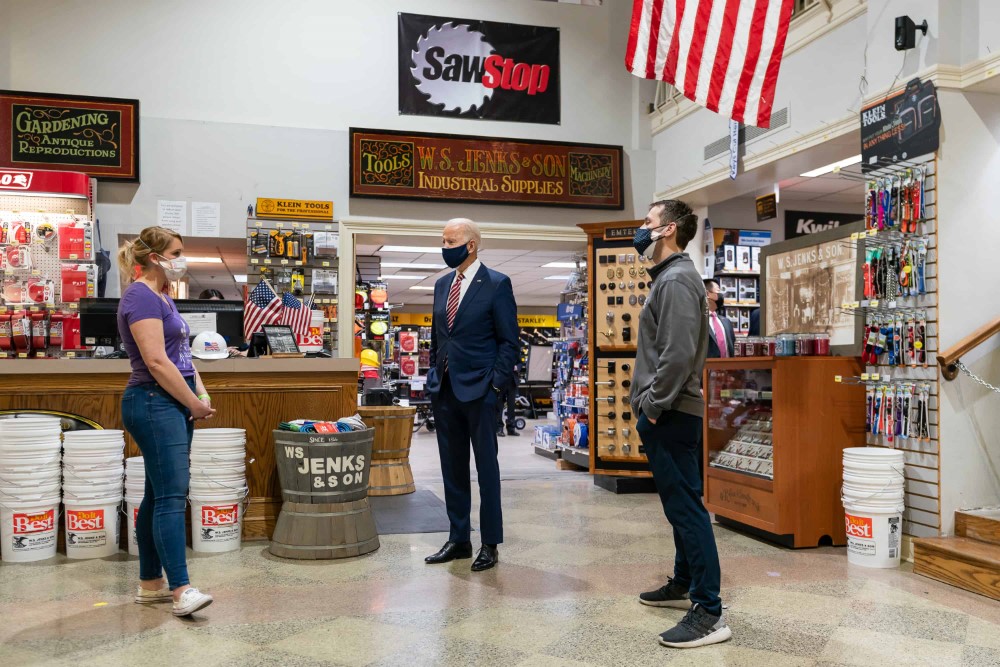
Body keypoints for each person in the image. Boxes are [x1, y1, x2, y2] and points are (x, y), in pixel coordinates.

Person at [630, 200, 730, 649]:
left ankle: (708, 610)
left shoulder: (675, 280)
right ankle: (684, 582)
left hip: (670, 411)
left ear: (666, 230)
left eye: (647, 223)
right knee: (678, 505)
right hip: (668, 409)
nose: (640, 229)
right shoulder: (671, 278)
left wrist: (652, 407)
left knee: (688, 509)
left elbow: (675, 355)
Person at [117, 226, 216, 618]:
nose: (182, 259)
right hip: (154, 402)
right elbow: (156, 362)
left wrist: (200, 394)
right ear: (155, 257)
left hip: (171, 401)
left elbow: (181, 356)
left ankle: (150, 584)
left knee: (157, 496)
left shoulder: (163, 296)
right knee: (172, 498)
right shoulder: (140, 295)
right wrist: (192, 402)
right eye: (176, 252)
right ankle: (181, 590)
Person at [425, 218, 518, 572]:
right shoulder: (441, 284)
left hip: (481, 390)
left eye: (450, 240)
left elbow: (509, 342)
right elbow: (439, 337)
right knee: (451, 467)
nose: (445, 246)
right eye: (443, 240)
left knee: (486, 468)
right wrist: (436, 371)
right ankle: (459, 538)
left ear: (472, 244)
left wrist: (495, 384)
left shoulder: (496, 284)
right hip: (445, 389)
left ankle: (490, 543)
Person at [703, 279, 735, 358]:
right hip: (708, 368)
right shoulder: (698, 322)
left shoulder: (726, 322)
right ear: (707, 293)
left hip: (728, 368)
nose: (721, 295)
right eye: (718, 290)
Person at [496, 362, 520, 437]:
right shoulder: (499, 350)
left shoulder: (515, 350)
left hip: (512, 381)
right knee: (499, 406)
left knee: (511, 406)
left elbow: (520, 362)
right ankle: (499, 428)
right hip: (501, 380)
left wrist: (517, 367)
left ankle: (511, 428)